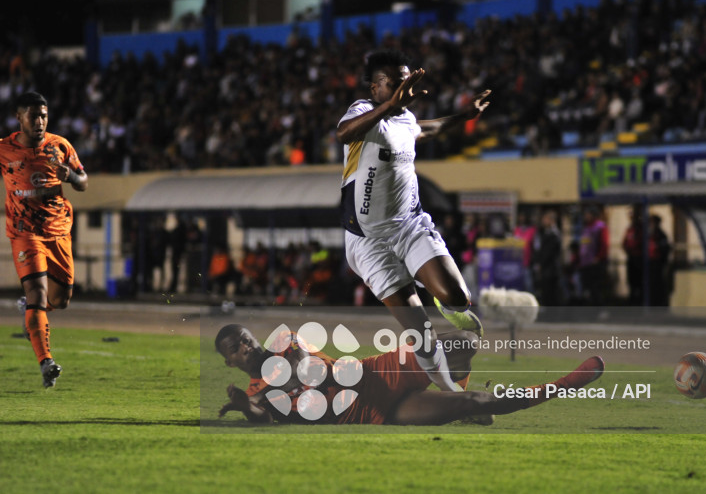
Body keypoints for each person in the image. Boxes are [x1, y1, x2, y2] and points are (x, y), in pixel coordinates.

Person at [336, 49, 491, 392]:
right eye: (395, 83)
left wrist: (464, 115)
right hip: (367, 239)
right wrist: (388, 107)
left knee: (457, 297)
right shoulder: (363, 112)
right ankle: (452, 394)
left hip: (409, 225)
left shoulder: (405, 119)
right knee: (421, 333)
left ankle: (449, 303)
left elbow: (426, 129)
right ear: (376, 87)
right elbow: (344, 134)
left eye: (406, 81)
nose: (403, 89)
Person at [215, 324, 604, 426]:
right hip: (372, 413)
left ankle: (455, 391)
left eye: (246, 340)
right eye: (236, 348)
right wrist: (245, 407)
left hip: (375, 372)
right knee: (477, 402)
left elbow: (307, 369)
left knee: (464, 342)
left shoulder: (285, 339)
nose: (246, 348)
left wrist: (264, 393)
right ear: (229, 361)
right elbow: (262, 417)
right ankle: (567, 384)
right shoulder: (255, 391)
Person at [0, 92, 88, 387]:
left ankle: (31, 312)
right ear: (19, 117)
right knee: (37, 293)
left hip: (59, 230)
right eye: (34, 115)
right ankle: (46, 362)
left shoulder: (59, 145)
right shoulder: (4, 149)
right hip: (25, 232)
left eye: (44, 115)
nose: (39, 121)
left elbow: (84, 182)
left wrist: (71, 178)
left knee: (60, 301)